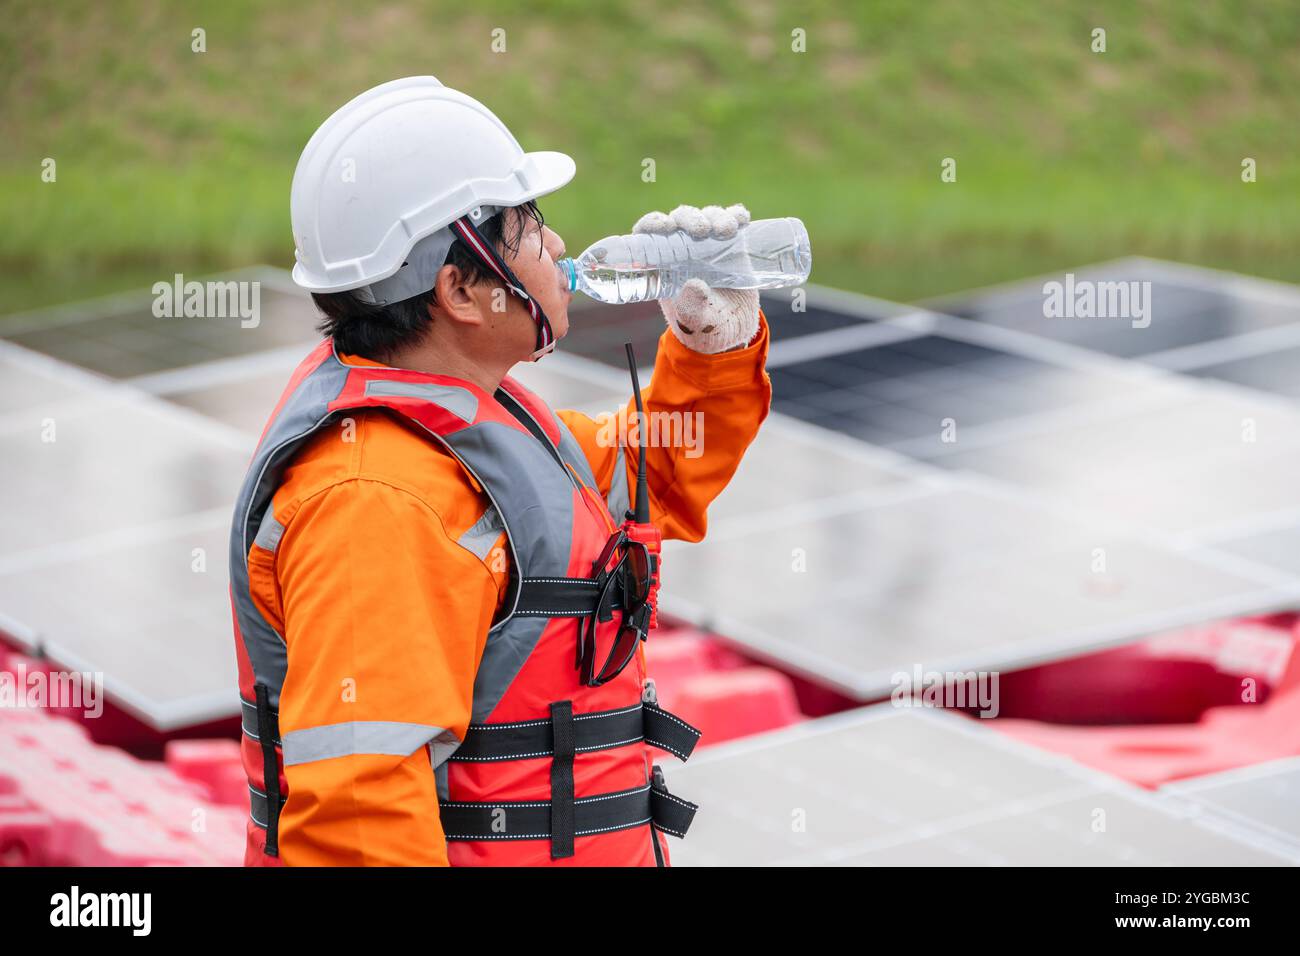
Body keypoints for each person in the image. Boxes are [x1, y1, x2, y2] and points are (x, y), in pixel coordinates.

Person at [228, 76, 772, 866]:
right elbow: (359, 823)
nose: (555, 246)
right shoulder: (375, 500)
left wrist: (714, 343)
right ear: (459, 289)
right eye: (527, 228)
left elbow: (650, 481)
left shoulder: (480, 420)